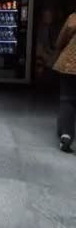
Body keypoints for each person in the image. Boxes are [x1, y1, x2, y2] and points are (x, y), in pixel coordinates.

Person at [54, 12, 76, 153]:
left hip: (71, 64)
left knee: (67, 100)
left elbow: (62, 39)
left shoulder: (74, 17)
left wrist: (58, 47)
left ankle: (66, 136)